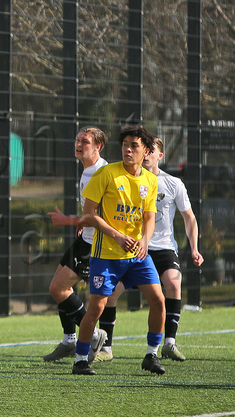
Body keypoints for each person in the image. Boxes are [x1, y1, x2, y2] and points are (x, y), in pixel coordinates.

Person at [94, 136, 204, 363]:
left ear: (159, 156)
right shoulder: (127, 177)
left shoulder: (173, 184)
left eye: (149, 150)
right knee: (112, 293)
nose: (144, 154)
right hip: (133, 247)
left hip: (162, 248)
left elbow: (189, 218)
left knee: (173, 283)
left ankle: (169, 343)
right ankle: (106, 347)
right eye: (142, 149)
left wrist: (195, 248)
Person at [71, 125, 167, 376]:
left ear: (146, 151)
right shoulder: (106, 173)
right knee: (97, 308)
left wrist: (145, 241)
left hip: (136, 255)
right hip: (106, 255)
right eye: (125, 144)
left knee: (158, 300)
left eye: (134, 145)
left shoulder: (150, 180)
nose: (128, 149)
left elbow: (149, 218)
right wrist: (116, 235)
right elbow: (88, 214)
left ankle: (151, 355)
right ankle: (81, 359)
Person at [43, 127, 109, 362]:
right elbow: (93, 210)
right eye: (77, 139)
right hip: (85, 238)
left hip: (95, 245)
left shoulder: (102, 172)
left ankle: (91, 335)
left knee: (58, 289)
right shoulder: (87, 171)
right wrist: (82, 222)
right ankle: (69, 340)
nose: (79, 144)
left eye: (86, 141)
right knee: (57, 284)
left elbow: (104, 214)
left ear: (98, 146)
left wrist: (69, 220)